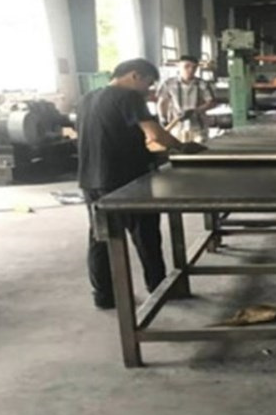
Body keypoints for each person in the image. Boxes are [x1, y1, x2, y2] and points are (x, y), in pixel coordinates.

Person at [77, 58, 189, 309]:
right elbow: (155, 134)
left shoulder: (87, 98)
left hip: (91, 179)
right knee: (145, 234)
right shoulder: (128, 97)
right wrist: (182, 147)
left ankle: (104, 296)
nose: (147, 90)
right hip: (125, 179)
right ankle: (158, 288)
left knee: (100, 237)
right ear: (135, 75)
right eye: (147, 84)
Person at [156, 55, 216, 141]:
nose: (190, 70)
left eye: (194, 67)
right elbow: (162, 102)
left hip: (198, 127)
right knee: (177, 148)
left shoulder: (202, 84)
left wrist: (195, 111)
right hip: (176, 127)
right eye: (186, 66)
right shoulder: (168, 84)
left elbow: (211, 103)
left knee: (199, 147)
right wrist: (163, 119)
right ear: (179, 66)